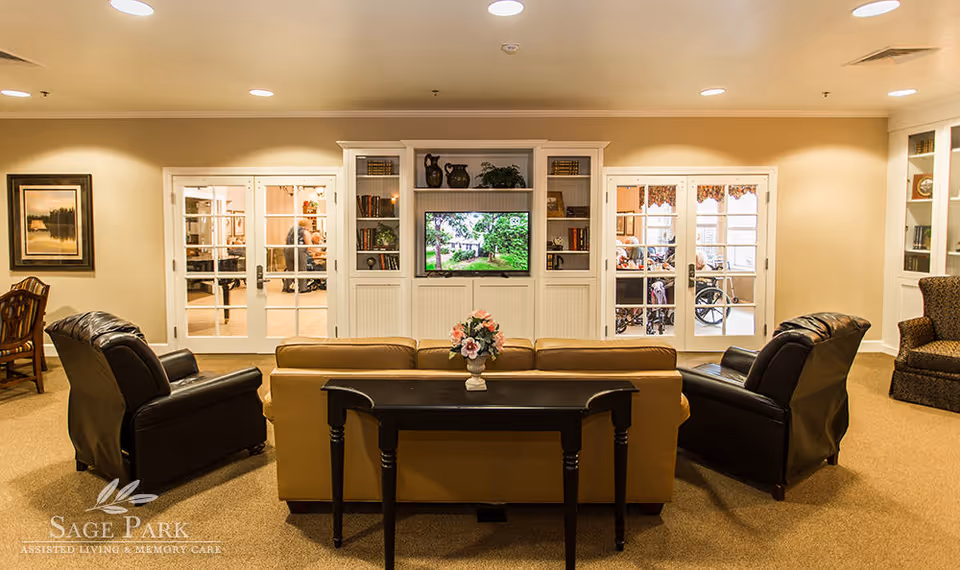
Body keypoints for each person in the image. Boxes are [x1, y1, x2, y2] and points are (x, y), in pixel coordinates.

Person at [282, 220, 310, 293]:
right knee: (302, 269)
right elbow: (308, 244)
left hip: (287, 249)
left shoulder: (292, 229)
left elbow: (286, 239)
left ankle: (286, 287)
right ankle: (303, 288)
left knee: (290, 270)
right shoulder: (305, 231)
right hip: (299, 250)